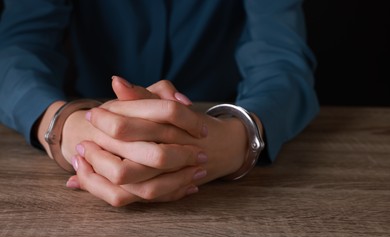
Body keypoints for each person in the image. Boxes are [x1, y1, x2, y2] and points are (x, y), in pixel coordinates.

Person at [0, 0, 319, 206]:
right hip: (95, 132)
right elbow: (16, 49)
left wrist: (239, 138)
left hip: (215, 132)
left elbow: (282, 62)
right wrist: (64, 127)